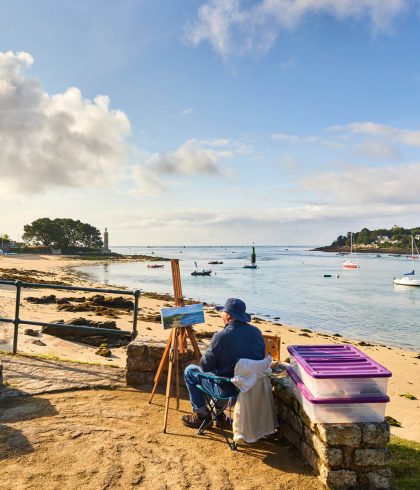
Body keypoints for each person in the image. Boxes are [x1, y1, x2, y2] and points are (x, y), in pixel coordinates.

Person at [182, 298, 265, 428]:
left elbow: (205, 366)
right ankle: (218, 415)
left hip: (226, 391)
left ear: (228, 315)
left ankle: (202, 415)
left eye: (223, 312)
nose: (222, 315)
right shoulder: (256, 332)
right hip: (248, 386)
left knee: (190, 371)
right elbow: (260, 357)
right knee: (224, 373)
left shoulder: (221, 336)